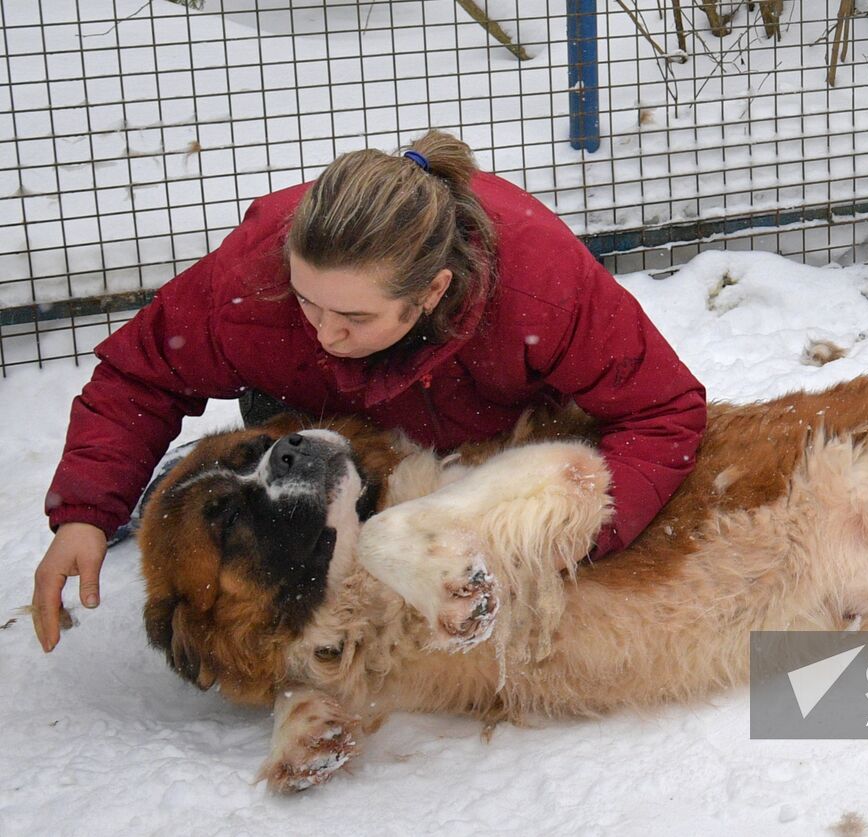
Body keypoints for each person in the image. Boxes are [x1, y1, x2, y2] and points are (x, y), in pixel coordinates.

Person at [31, 130, 707, 653]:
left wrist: (566, 540)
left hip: (485, 421)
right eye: (309, 304)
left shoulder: (538, 280)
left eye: (353, 318)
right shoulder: (254, 277)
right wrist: (85, 510)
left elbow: (663, 409)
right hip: (325, 427)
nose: (324, 331)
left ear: (434, 290)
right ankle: (163, 493)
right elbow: (140, 373)